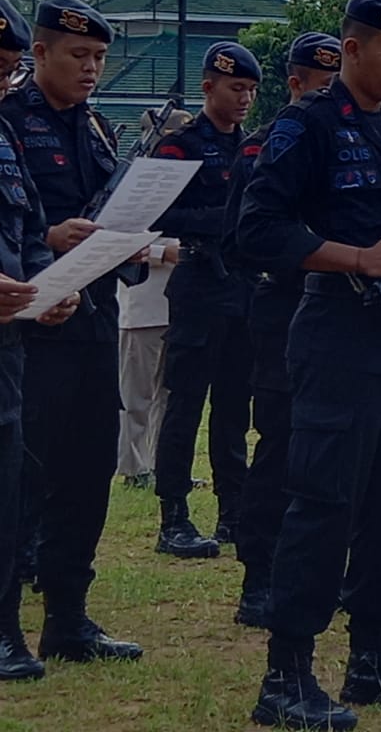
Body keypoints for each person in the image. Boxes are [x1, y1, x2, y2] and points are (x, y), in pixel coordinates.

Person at [239, 0, 381, 730]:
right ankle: (286, 676)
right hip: (335, 336)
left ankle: (370, 657)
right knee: (323, 506)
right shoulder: (307, 125)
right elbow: (259, 230)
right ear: (353, 49)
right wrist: (355, 259)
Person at [1, 0, 143, 664]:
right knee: (25, 480)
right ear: (39, 55)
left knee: (88, 473)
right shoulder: (10, 123)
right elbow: (26, 227)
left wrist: (133, 244)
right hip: (30, 331)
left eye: (99, 59)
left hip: (91, 323)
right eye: (78, 56)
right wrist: (53, 242)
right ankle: (8, 626)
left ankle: (69, 618)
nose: (91, 70)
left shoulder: (95, 130)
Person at [225, 32, 341, 628]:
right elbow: (243, 235)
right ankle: (257, 574)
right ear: (294, 84)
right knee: (277, 447)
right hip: (281, 308)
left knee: (327, 452)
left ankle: (316, 570)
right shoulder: (266, 146)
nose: (330, 95)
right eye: (319, 84)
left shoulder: (361, 139)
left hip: (338, 314)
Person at [150, 41, 261, 559]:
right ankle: (173, 516)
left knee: (234, 407)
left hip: (242, 286)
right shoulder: (180, 146)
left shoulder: (253, 148)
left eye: (251, 91)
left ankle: (233, 512)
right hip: (198, 283)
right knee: (186, 405)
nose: (243, 99)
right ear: (208, 87)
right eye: (236, 88)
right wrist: (224, 221)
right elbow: (160, 215)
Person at [0, 0, 81, 682]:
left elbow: (26, 230)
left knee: (13, 483)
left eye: (4, 73)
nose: (1, 87)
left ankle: (15, 629)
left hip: (10, 345)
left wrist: (41, 289)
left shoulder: (2, 137)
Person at [115, 235, 179, 487]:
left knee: (168, 395)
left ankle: (161, 463)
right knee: (135, 394)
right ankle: (133, 466)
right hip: (141, 309)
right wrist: (161, 253)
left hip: (178, 306)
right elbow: (121, 244)